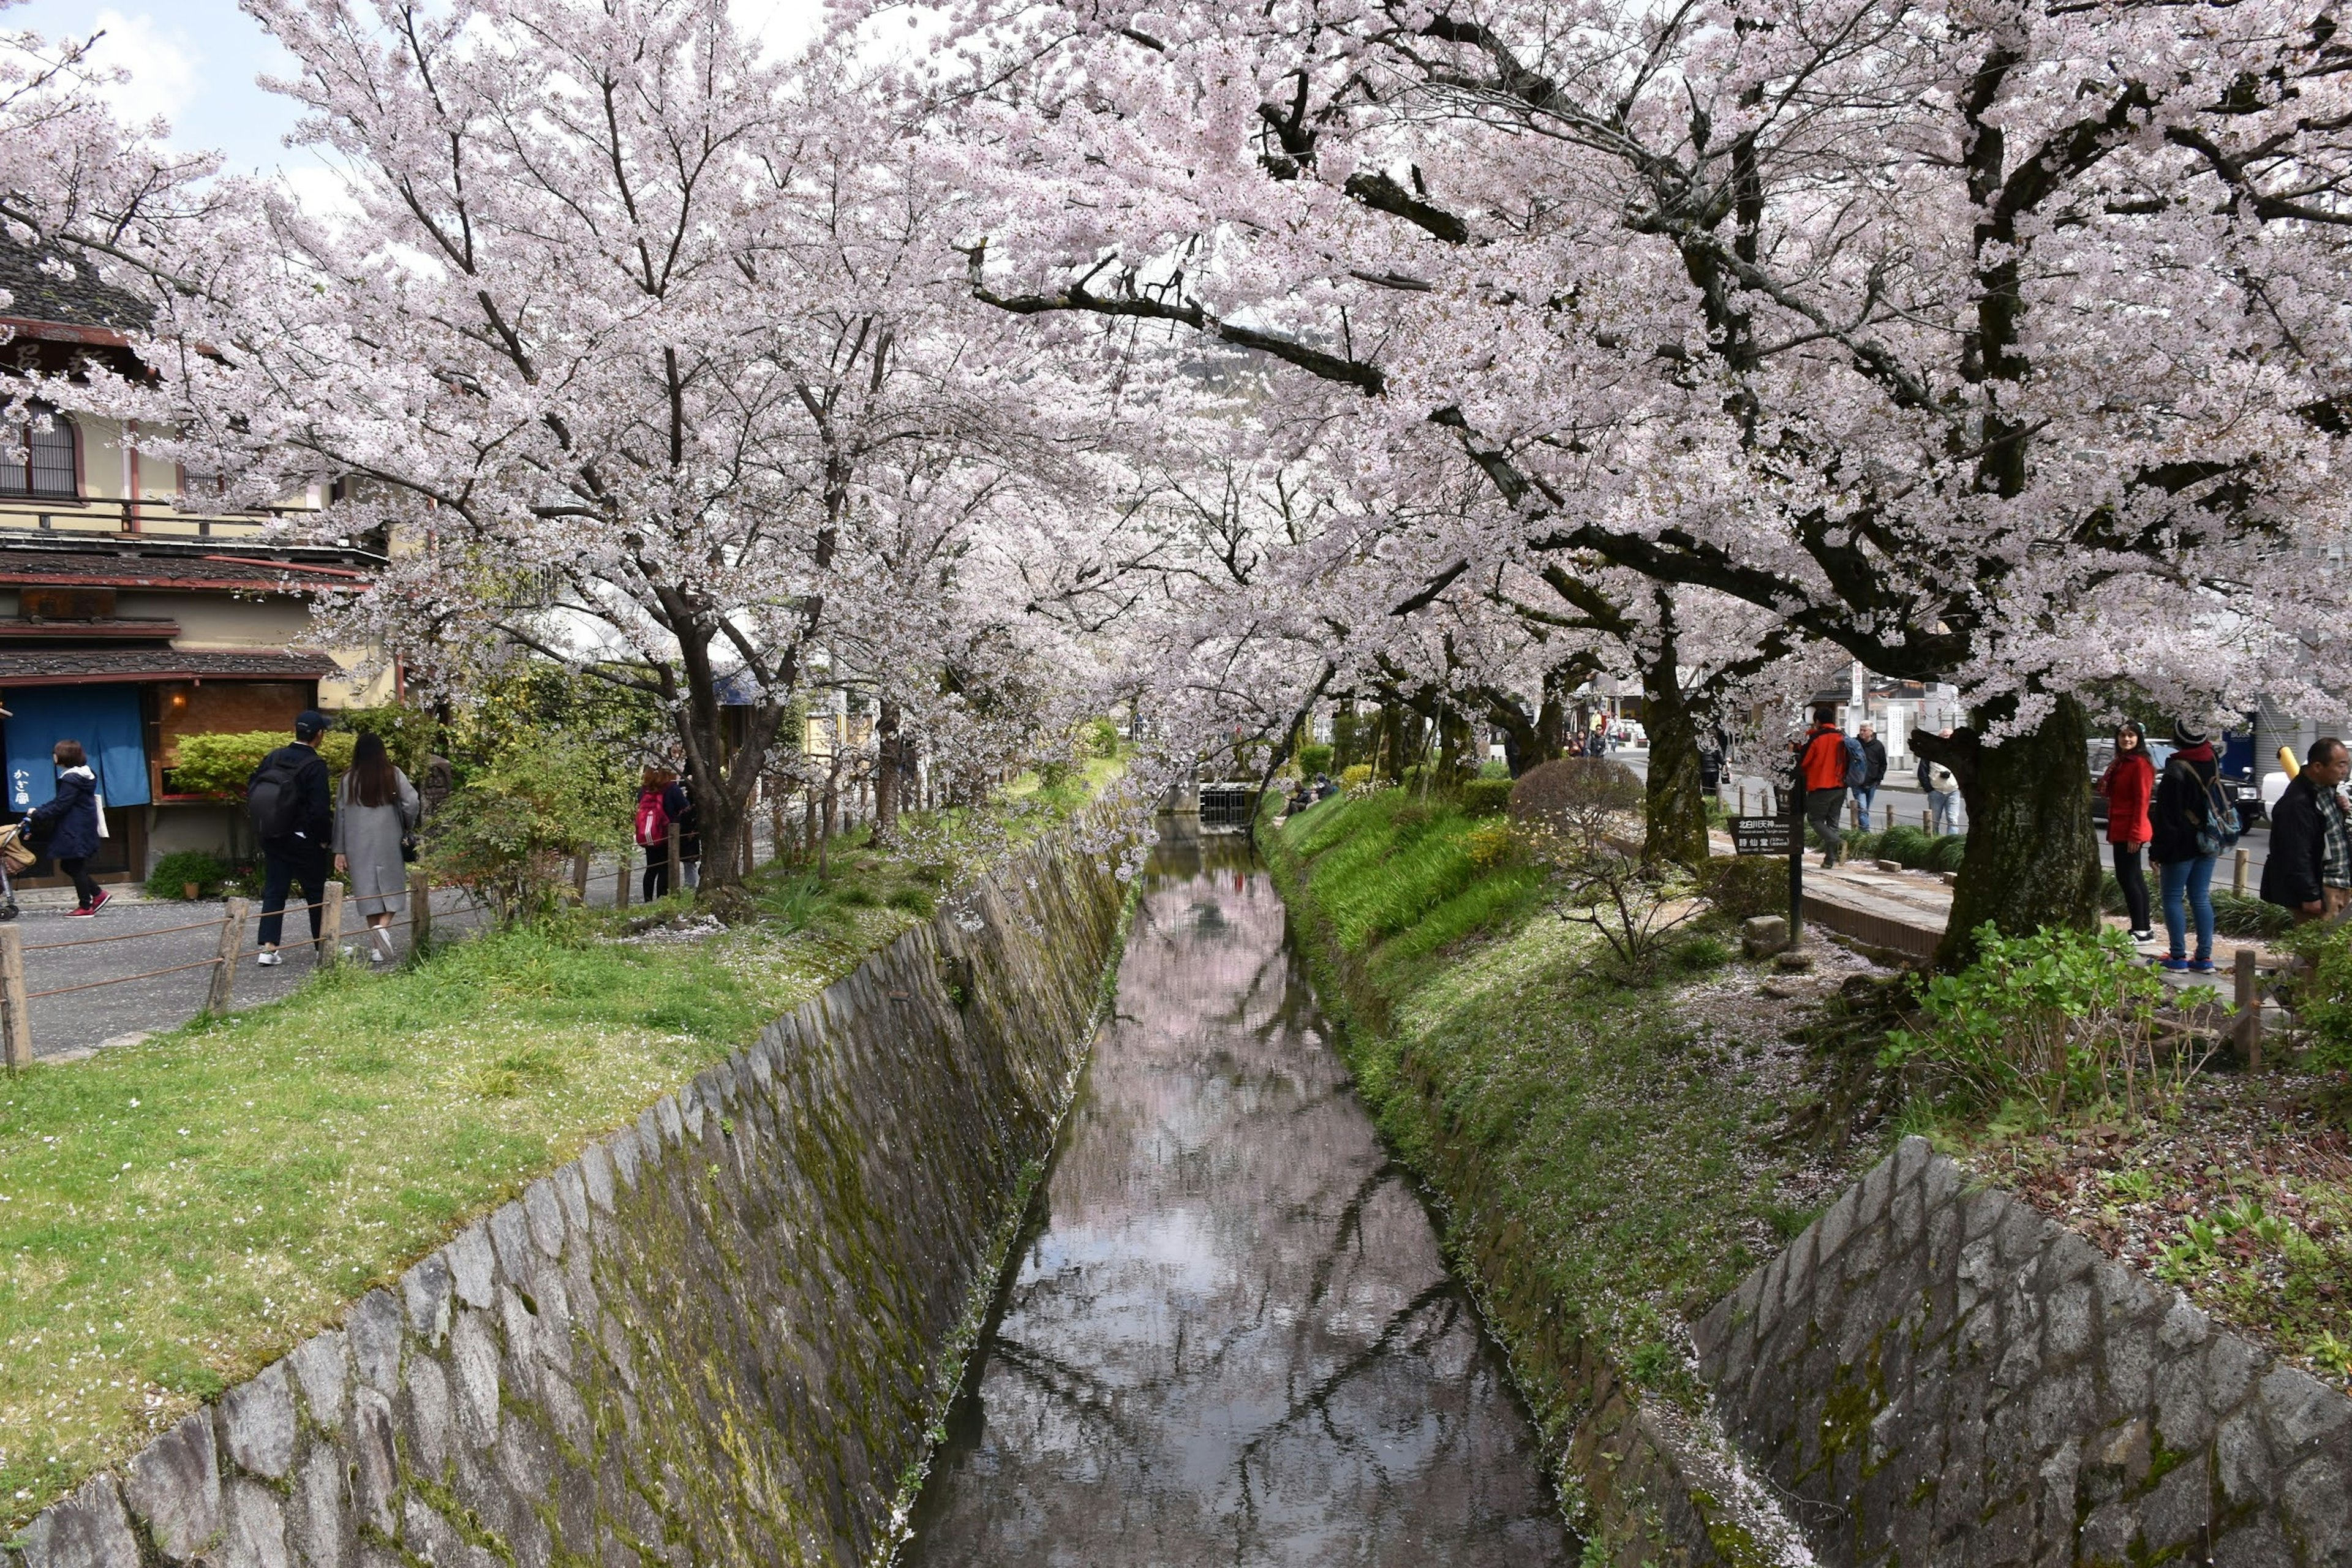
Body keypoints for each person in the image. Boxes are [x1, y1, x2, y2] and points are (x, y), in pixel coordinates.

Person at [251, 710, 334, 964]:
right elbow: (320, 810)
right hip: (303, 839)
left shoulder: (274, 757)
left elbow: (255, 787)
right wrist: (324, 839)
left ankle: (268, 948)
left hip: (273, 833)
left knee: (275, 890)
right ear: (319, 735)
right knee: (316, 892)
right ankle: (323, 947)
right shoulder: (315, 766)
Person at [2150, 720, 2233, 973]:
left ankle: (2177, 956)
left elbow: (2167, 816)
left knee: (2173, 897)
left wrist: (2157, 852)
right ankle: (2204, 958)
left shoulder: (2177, 769)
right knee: (2200, 897)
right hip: (2209, 838)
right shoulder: (2211, 759)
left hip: (2181, 843)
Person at [333, 731, 420, 964]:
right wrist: (406, 824)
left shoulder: (347, 779)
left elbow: (340, 816)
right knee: (394, 888)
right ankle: (382, 930)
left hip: (357, 844)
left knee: (368, 892)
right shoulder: (392, 774)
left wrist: (339, 850)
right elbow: (411, 802)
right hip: (389, 839)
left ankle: (377, 947)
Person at [2260, 736, 2352, 922]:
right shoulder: (2296, 804)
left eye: (2347, 765)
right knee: (2320, 948)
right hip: (2323, 887)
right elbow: (2295, 853)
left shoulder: (2327, 791)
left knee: (2339, 949)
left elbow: (2328, 834)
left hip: (2341, 884)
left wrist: (2342, 812)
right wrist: (2309, 894)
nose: (2346, 771)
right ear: (2318, 767)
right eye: (2341, 765)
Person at [20, 739, 106, 915]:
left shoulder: (71, 779)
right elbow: (62, 802)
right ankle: (98, 894)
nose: (54, 756)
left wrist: (37, 814)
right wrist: (39, 811)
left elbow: (61, 805)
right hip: (81, 825)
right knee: (70, 865)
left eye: (56, 753)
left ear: (64, 756)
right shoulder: (84, 775)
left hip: (75, 828)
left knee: (74, 866)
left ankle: (86, 906)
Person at [2098, 722, 2157, 942]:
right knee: (2133, 877)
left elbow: (2143, 801)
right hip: (2120, 826)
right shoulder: (2122, 763)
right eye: (2123, 735)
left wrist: (2135, 833)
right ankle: (2144, 927)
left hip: (2131, 828)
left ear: (2139, 738)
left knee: (2128, 877)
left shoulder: (2139, 764)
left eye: (2131, 735)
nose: (2127, 739)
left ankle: (2141, 928)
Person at [1796, 704, 1851, 868]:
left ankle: (1838, 843)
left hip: (1821, 786)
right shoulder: (1842, 737)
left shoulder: (1814, 738)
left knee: (1815, 819)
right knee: (1832, 823)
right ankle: (1829, 860)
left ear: (1818, 721)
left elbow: (1804, 762)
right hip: (1841, 787)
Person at [636, 768, 675, 900]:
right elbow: (684, 807)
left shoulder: (643, 791)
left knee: (651, 868)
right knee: (665, 867)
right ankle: (662, 899)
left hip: (648, 834)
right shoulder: (670, 789)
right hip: (665, 834)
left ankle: (648, 899)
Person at [663, 764, 702, 889]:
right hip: (687, 824)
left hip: (691, 823)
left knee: (690, 857)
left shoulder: (683, 785)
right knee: (689, 857)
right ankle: (690, 885)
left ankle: (691, 884)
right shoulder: (679, 785)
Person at [1918, 731, 1960, 835]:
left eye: (1950, 736)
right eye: (1945, 736)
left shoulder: (1959, 753)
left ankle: (1952, 843)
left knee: (1953, 820)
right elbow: (1922, 772)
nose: (1947, 738)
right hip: (1936, 792)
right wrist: (1929, 789)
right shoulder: (1930, 753)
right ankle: (1934, 843)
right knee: (1934, 821)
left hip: (1953, 791)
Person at [1853, 724, 1888, 832]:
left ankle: (1860, 831)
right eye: (1861, 730)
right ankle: (1866, 833)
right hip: (1858, 782)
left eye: (1865, 730)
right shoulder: (1855, 744)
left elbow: (1883, 764)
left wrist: (1878, 779)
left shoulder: (1878, 746)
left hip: (1872, 783)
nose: (1862, 733)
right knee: (1862, 808)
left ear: (1871, 732)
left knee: (1865, 809)